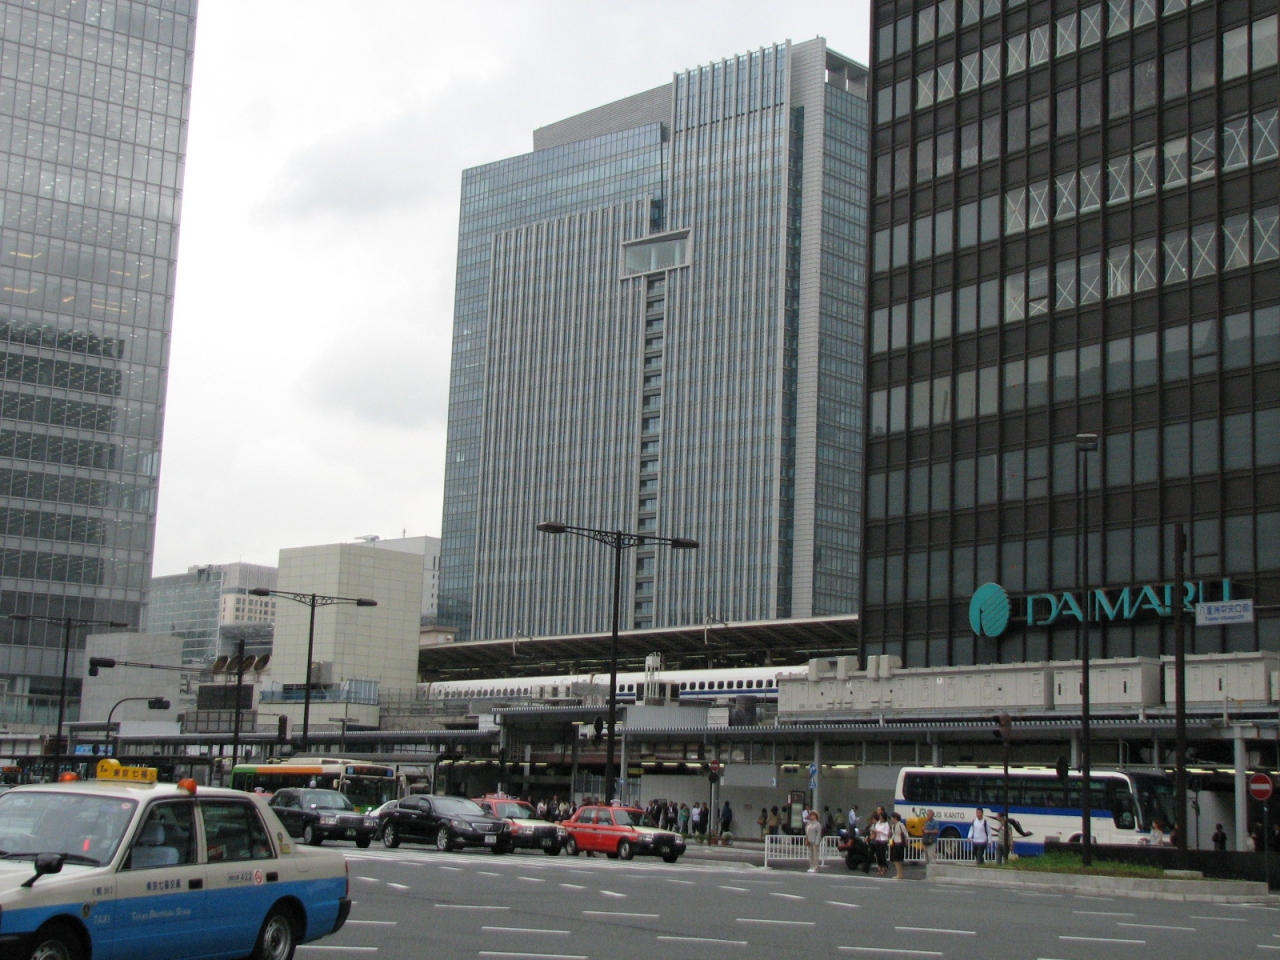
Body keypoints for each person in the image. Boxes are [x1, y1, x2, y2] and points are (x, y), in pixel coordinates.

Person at [888, 812, 910, 879]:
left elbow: (906, 835)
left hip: (899, 843)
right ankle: (898, 874)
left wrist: (906, 842)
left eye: (892, 817)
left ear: (895, 818)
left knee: (897, 859)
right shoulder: (892, 825)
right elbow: (892, 835)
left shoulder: (901, 825)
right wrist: (890, 842)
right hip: (894, 842)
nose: (891, 819)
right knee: (894, 859)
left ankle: (900, 874)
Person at [869, 811, 891, 876]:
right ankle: (879, 867)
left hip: (883, 840)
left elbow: (886, 833)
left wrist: (879, 831)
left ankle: (884, 867)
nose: (880, 819)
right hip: (877, 839)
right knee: (878, 854)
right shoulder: (878, 823)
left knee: (882, 854)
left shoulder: (886, 824)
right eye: (880, 817)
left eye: (881, 818)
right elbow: (874, 829)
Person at [805, 809, 824, 873]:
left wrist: (817, 842)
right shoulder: (809, 823)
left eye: (814, 815)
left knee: (815, 854)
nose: (812, 816)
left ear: (816, 816)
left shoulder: (817, 824)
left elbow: (819, 833)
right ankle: (811, 866)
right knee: (810, 854)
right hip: (809, 840)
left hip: (815, 841)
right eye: (811, 815)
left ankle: (815, 867)